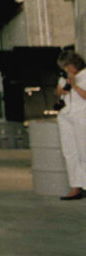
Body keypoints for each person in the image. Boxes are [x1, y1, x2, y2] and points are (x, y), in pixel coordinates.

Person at [54, 49, 86, 201]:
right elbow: (58, 93)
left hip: (82, 115)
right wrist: (61, 90)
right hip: (67, 115)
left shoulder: (85, 75)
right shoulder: (64, 77)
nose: (66, 70)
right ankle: (75, 186)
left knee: (84, 150)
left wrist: (74, 85)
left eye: (68, 66)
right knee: (70, 151)